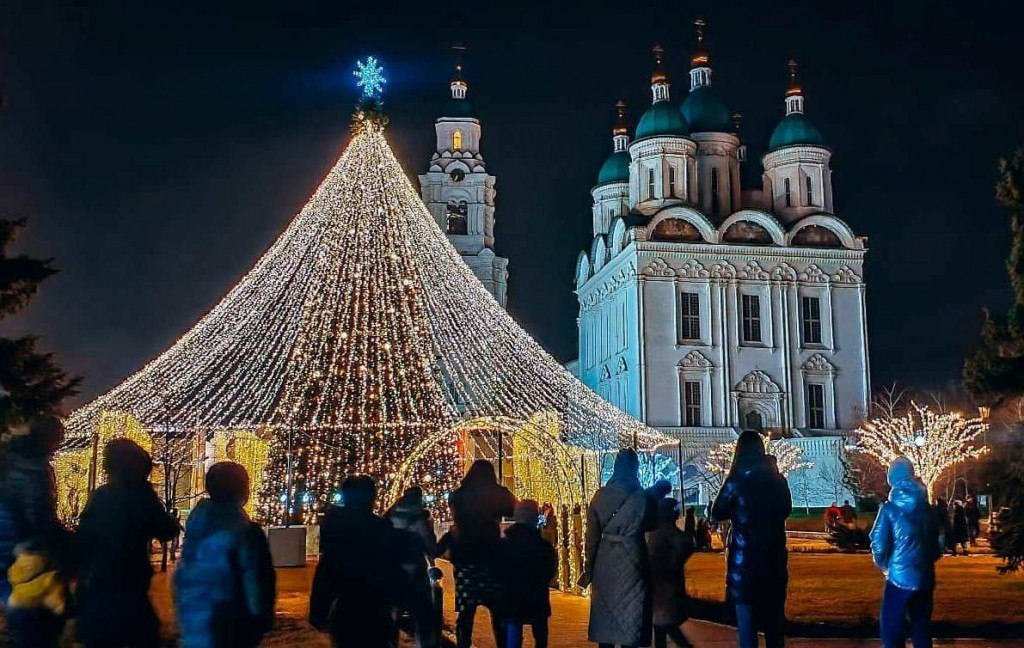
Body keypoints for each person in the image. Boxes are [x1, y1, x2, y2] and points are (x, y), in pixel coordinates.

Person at [75, 438, 180, 647]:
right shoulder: (141, 497)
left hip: (99, 581)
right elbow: (167, 530)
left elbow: (83, 535)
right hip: (129, 581)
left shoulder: (101, 496)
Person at [174, 462, 276, 648]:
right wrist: (261, 618)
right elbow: (255, 579)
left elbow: (182, 576)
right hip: (232, 621)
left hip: (196, 621)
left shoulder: (197, 527)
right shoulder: (247, 533)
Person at [711, 430, 792, 648]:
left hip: (744, 564)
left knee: (747, 626)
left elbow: (718, 511)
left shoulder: (736, 481)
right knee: (774, 626)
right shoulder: (777, 480)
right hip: (773, 560)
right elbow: (786, 509)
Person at [0, 415, 71, 647]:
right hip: (24, 552)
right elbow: (38, 517)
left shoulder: (13, 461)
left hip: (10, 548)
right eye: (57, 440)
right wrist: (64, 542)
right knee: (35, 620)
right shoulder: (33, 470)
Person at [311, 474, 405, 647]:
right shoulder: (381, 528)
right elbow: (393, 569)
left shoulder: (337, 527)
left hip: (347, 608)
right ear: (372, 497)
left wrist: (318, 610)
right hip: (376, 608)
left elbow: (328, 569)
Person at [580, 448, 656, 648]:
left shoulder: (600, 496)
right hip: (633, 559)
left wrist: (589, 568)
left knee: (606, 616)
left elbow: (591, 538)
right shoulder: (641, 496)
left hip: (605, 563)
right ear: (635, 468)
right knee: (631, 615)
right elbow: (652, 523)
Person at [870, 457, 942, 648]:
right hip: (925, 576)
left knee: (891, 628)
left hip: (899, 577)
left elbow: (878, 544)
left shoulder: (889, 509)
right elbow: (937, 543)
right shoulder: (927, 509)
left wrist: (885, 565)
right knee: (921, 627)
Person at [447, 460, 516, 648]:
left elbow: (454, 511)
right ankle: (502, 644)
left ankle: (463, 644)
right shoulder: (497, 493)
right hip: (491, 557)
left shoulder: (459, 495)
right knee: (498, 609)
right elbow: (511, 509)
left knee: (466, 611)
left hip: (465, 558)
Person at [497, 500, 557, 648]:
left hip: (512, 597)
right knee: (540, 633)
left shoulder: (505, 544)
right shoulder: (543, 545)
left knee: (513, 631)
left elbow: (498, 570)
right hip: (537, 596)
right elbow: (550, 570)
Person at [387, 486, 441, 648]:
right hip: (414, 569)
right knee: (423, 612)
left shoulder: (390, 515)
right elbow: (430, 546)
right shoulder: (419, 519)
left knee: (391, 612)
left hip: (392, 568)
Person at [648, 498, 696, 648]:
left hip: (658, 585)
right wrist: (690, 523)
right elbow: (686, 546)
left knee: (661, 625)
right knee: (667, 624)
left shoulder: (655, 532)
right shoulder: (668, 532)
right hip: (667, 584)